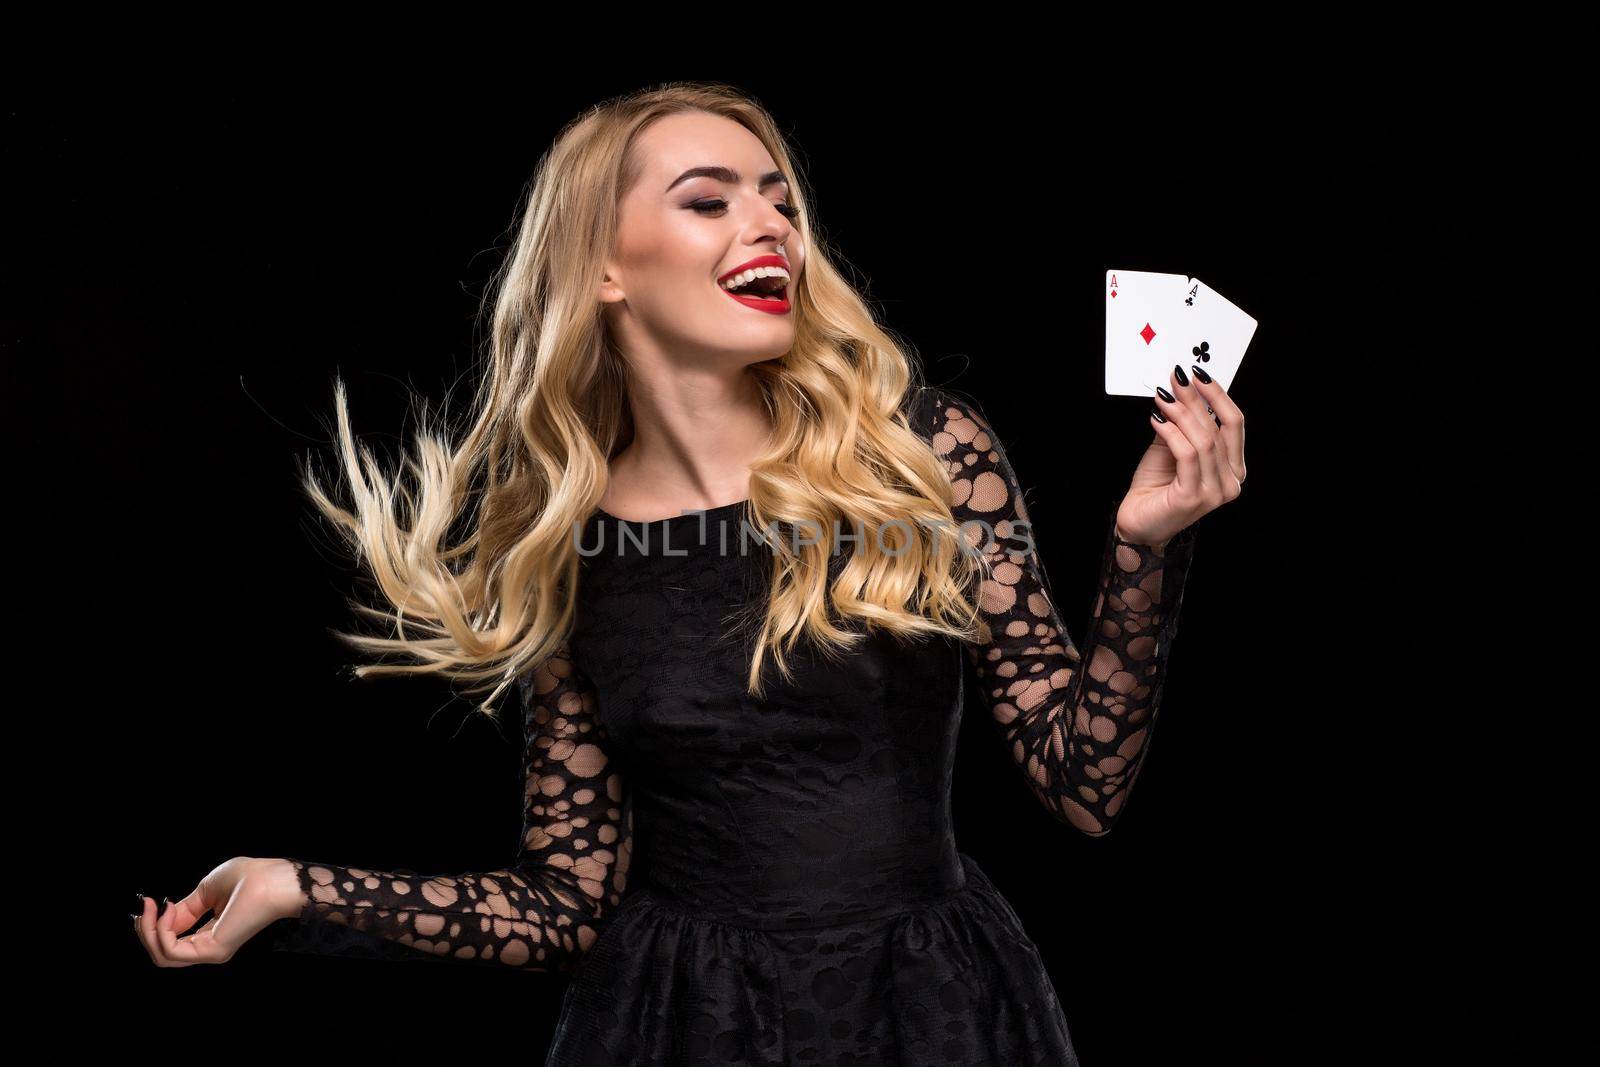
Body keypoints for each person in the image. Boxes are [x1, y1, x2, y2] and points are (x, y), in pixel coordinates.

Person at [131, 81, 1245, 1065]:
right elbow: (566, 904)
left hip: (931, 1003)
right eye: (709, 199)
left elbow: (1083, 786)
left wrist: (1146, 545)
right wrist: (293, 883)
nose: (769, 224)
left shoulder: (921, 448)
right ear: (605, 266)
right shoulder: (571, 544)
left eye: (781, 201)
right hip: (683, 1017)